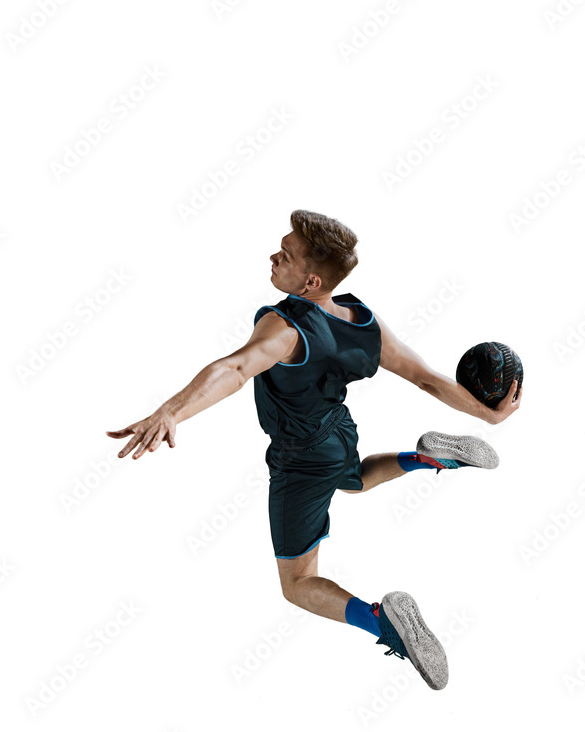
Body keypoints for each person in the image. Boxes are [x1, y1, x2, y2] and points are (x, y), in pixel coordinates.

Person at [107, 210, 521, 690]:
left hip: (299, 459)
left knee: (298, 585)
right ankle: (431, 457)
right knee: (355, 480)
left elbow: (236, 369)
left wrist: (172, 410)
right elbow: (426, 378)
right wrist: (488, 415)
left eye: (284, 255)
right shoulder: (363, 319)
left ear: (310, 280)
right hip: (339, 434)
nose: (272, 257)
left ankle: (383, 621)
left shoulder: (284, 329)